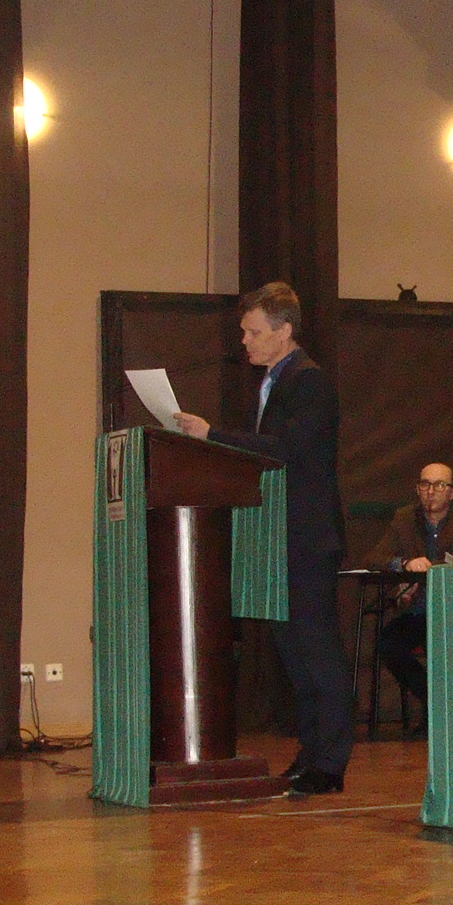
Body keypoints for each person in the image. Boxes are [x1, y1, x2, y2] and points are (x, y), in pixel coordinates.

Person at [173, 282, 350, 796]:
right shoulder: (275, 381)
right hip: (282, 537)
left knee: (316, 652)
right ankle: (311, 753)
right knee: (295, 654)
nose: (244, 341)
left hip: (306, 538)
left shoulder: (309, 381)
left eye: (253, 332)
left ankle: (329, 763)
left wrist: (212, 436)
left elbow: (289, 449)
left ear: (284, 330)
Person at [362, 463, 453, 709]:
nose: (431, 492)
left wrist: (428, 568)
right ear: (417, 489)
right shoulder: (404, 518)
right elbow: (373, 558)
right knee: (388, 645)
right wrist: (404, 564)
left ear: (452, 492)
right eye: (425, 484)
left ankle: (451, 712)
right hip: (417, 611)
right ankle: (433, 704)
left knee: (448, 649)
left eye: (439, 485)